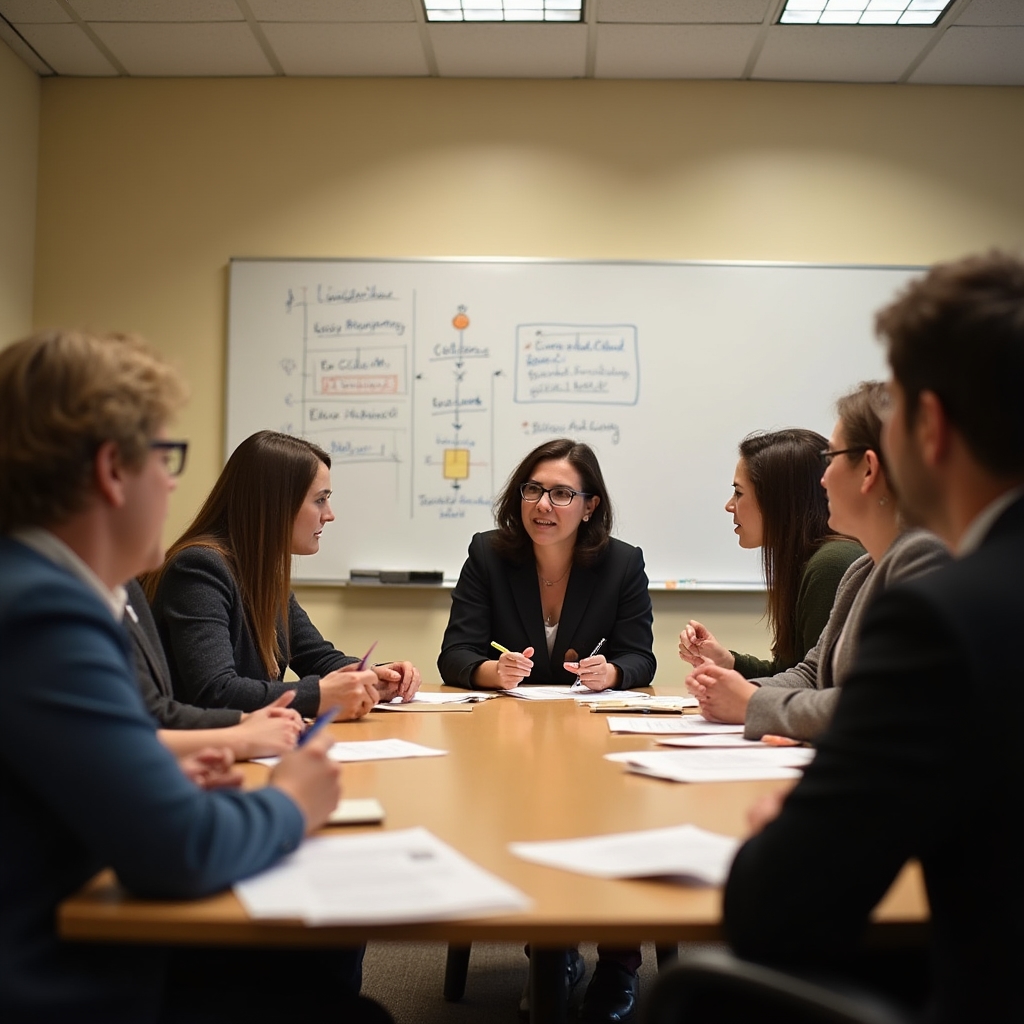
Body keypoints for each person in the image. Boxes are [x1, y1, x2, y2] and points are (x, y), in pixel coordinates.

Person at [0, 329, 390, 1023]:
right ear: (111, 470)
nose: (173, 482)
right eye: (165, 456)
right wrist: (292, 802)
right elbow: (179, 850)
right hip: (66, 980)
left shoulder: (50, 589)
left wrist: (158, 776)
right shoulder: (43, 612)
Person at [724, 251, 1024, 1023]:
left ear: (929, 429)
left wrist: (789, 831)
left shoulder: (947, 614)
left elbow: (777, 908)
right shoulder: (889, 577)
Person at [438, 438, 656, 1023]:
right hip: (514, 739)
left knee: (615, 811)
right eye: (533, 490)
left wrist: (612, 673)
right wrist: (493, 671)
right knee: (531, 806)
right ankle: (551, 952)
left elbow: (640, 657)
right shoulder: (489, 554)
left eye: (562, 494)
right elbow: (455, 653)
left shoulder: (622, 562)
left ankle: (619, 965)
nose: (543, 505)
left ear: (589, 505)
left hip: (595, 737)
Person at [686, 382, 949, 741]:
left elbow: (886, 704)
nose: (822, 480)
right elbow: (811, 673)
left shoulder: (924, 559)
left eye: (832, 458)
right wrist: (731, 691)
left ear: (868, 470)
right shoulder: (861, 572)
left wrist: (751, 702)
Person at [147, 430, 421, 722]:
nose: (329, 514)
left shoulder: (263, 574)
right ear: (276, 504)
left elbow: (318, 658)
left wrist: (375, 677)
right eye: (320, 500)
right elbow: (216, 691)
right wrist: (321, 695)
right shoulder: (199, 568)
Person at [678, 428, 864, 680]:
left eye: (739, 492)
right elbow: (793, 673)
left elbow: (817, 684)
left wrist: (740, 694)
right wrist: (728, 662)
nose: (729, 505)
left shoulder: (831, 564)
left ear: (778, 500)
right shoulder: (810, 559)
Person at [125, 577, 305, 761]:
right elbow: (217, 690)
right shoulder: (198, 571)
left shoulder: (128, 590)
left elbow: (157, 710)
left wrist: (248, 720)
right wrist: (242, 737)